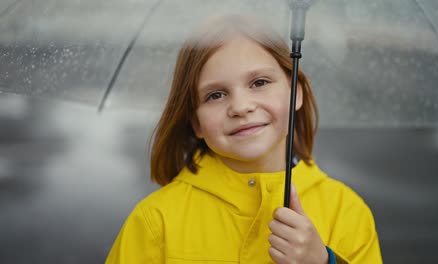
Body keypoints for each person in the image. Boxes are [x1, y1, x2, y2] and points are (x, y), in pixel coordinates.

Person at [106, 15, 382, 264]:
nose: (240, 106)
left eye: (259, 82)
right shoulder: (156, 221)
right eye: (215, 95)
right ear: (196, 123)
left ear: (295, 93)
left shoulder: (346, 211)